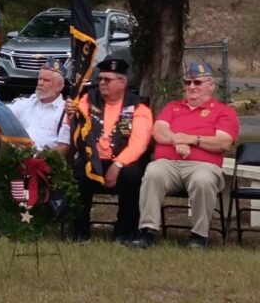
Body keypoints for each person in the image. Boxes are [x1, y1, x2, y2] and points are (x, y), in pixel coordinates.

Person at [132, 61, 239, 249]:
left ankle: (199, 236)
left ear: (210, 86)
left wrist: (193, 139)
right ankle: (147, 231)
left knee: (202, 180)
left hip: (203, 166)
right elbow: (158, 131)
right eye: (187, 82)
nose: (191, 87)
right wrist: (177, 140)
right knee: (152, 172)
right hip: (168, 163)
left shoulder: (224, 112)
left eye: (197, 83)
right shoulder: (173, 107)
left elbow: (223, 143)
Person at [66, 57, 153, 243]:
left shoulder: (138, 107)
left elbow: (139, 143)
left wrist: (118, 165)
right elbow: (75, 126)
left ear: (122, 82)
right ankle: (79, 231)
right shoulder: (88, 100)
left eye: (108, 80)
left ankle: (124, 232)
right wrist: (70, 113)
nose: (102, 83)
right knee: (79, 173)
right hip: (93, 160)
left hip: (122, 162)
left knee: (132, 176)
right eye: (101, 79)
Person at [8, 59, 70, 152]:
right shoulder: (26, 102)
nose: (40, 83)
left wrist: (39, 160)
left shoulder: (65, 111)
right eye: (39, 79)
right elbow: (1, 114)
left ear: (60, 86)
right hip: (17, 160)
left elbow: (63, 148)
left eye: (46, 80)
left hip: (47, 163)